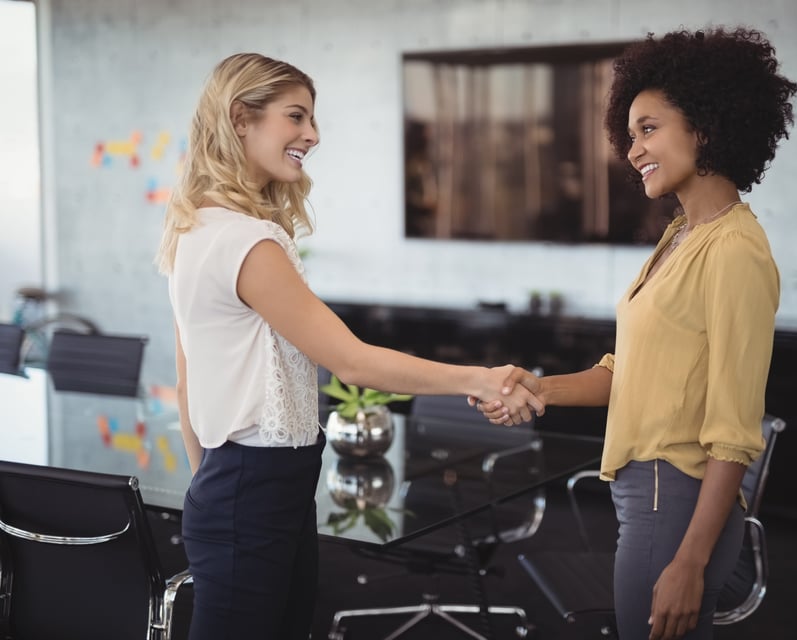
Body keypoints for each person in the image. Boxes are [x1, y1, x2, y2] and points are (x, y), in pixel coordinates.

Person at [154, 52, 542, 640]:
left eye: (312, 119)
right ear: (240, 118)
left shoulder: (194, 227)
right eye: (296, 117)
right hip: (252, 492)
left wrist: (211, 490)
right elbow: (352, 361)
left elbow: (188, 380)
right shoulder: (249, 242)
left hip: (249, 489)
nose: (312, 134)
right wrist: (479, 378)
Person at [476, 27, 797, 640]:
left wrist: (690, 561)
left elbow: (734, 433)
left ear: (704, 126)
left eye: (648, 129)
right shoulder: (682, 236)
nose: (632, 151)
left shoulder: (733, 250)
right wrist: (537, 387)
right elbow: (628, 371)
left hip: (673, 498)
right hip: (646, 494)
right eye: (630, 136)